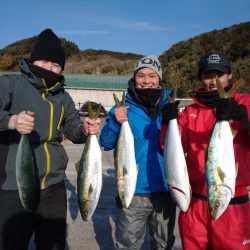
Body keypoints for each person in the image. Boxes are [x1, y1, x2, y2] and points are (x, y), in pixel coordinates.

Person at [0, 28, 101, 250]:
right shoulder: (10, 84)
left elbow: (73, 130)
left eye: (56, 65)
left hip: (54, 188)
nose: (50, 68)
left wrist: (85, 129)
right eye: (45, 62)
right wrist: (11, 121)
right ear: (33, 60)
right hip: (15, 186)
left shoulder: (63, 98)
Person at [160, 50, 250, 250]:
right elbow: (169, 147)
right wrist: (168, 122)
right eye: (208, 75)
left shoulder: (245, 103)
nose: (213, 81)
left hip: (233, 203)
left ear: (230, 75)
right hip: (195, 203)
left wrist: (243, 116)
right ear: (201, 77)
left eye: (219, 75)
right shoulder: (190, 112)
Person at [100, 55, 176, 249]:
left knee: (164, 244)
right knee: (128, 244)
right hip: (133, 191)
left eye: (152, 75)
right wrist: (116, 122)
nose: (146, 80)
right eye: (141, 75)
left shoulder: (170, 106)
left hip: (166, 190)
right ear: (134, 78)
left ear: (159, 78)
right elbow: (106, 142)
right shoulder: (122, 108)